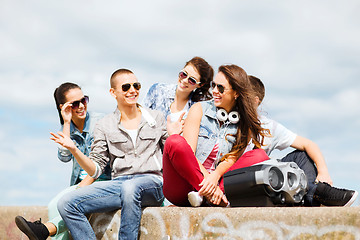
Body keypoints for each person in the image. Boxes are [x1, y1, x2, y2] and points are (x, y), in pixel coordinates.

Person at [50, 69, 182, 239]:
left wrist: (174, 136)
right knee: (66, 203)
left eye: (136, 85)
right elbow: (96, 169)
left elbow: (172, 158)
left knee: (130, 188)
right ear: (113, 92)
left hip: (152, 184)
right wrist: (74, 150)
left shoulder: (156, 118)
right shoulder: (104, 125)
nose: (133, 90)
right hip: (119, 184)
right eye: (126, 87)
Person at [162, 64, 271, 207]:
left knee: (259, 155)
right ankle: (210, 195)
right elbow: (190, 154)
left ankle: (205, 196)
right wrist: (209, 184)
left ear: (236, 93)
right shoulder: (199, 109)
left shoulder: (244, 123)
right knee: (174, 141)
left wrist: (215, 176)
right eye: (214, 85)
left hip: (216, 184)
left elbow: (232, 158)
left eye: (220, 88)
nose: (214, 91)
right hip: (185, 185)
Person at [15, 82, 111, 240]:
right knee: (54, 204)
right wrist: (66, 122)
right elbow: (64, 156)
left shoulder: (99, 122)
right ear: (64, 107)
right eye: (75, 104)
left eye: (84, 100)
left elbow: (102, 162)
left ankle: (44, 230)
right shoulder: (67, 128)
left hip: (101, 179)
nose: (81, 106)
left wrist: (81, 187)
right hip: (80, 184)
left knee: (66, 203)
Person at [248, 75, 358, 206]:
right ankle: (315, 195)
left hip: (264, 179)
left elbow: (308, 144)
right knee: (265, 163)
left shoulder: (268, 126)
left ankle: (314, 193)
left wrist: (323, 172)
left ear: (255, 101)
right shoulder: (229, 121)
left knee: (302, 155)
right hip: (241, 180)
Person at [142, 56, 213, 122]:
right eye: (184, 74)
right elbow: (140, 117)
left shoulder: (199, 108)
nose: (185, 80)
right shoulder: (157, 90)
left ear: (200, 85)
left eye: (192, 80)